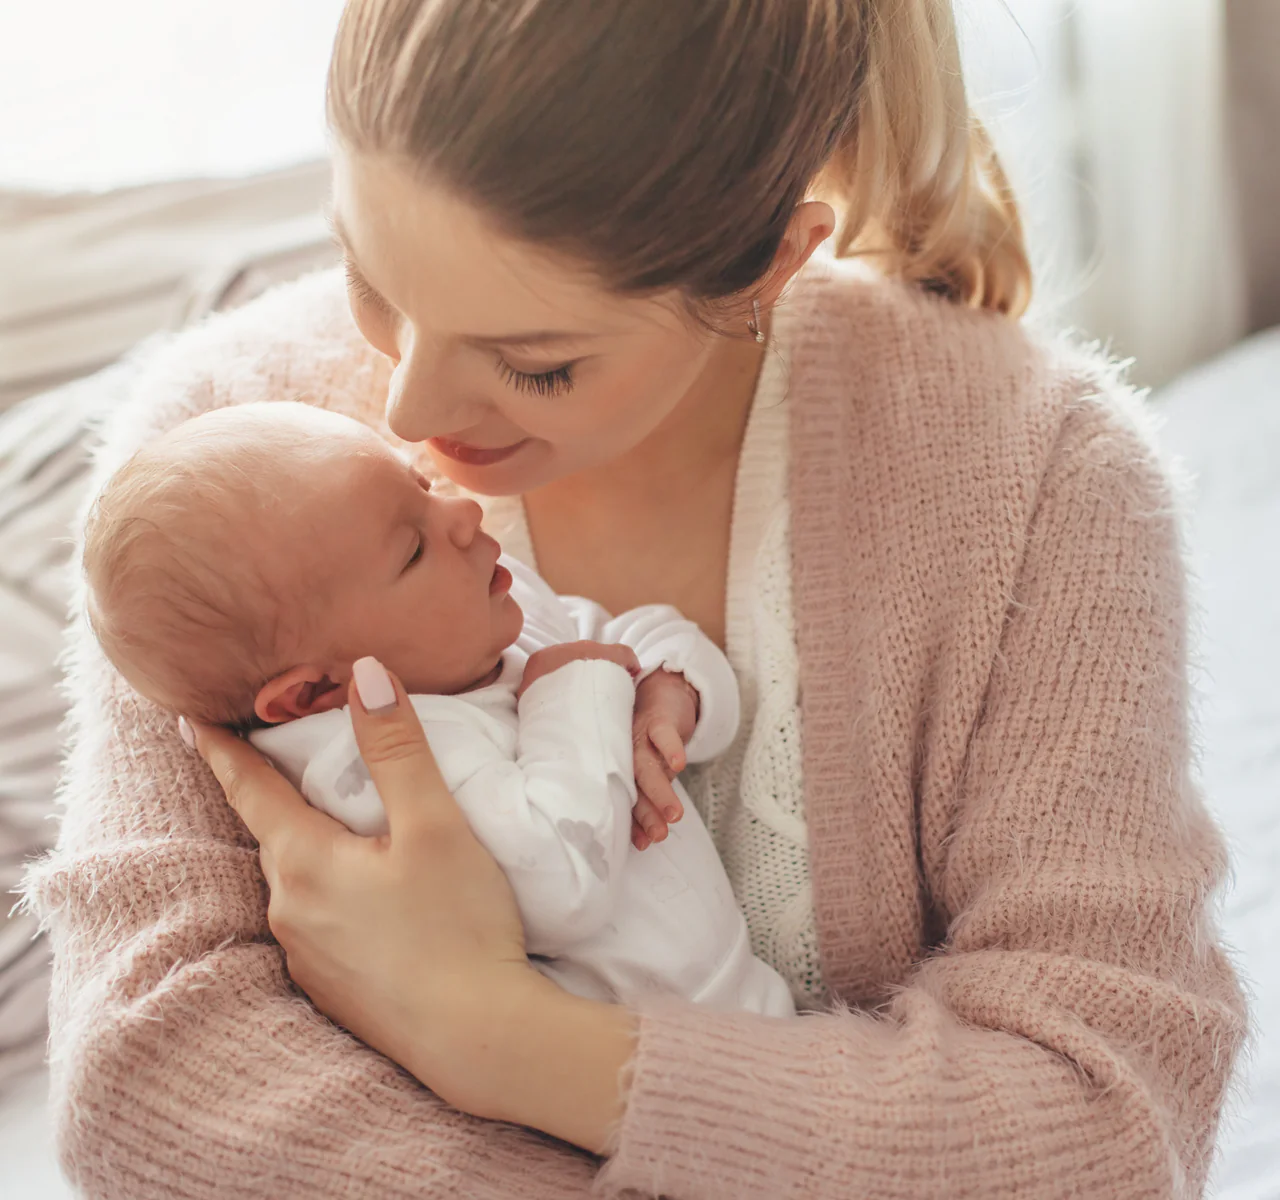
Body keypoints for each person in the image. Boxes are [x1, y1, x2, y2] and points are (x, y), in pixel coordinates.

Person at [25, 1, 1246, 1197]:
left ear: (769, 261)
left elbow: (1103, 1126)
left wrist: (493, 1038)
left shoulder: (1036, 478)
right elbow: (147, 1084)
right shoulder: (220, 463)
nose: (407, 415)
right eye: (370, 279)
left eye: (536, 362)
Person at [79, 400, 794, 1016]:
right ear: (313, 693)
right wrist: (574, 688)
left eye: (420, 484)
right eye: (412, 550)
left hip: (746, 1002)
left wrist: (670, 692)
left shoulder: (485, 626)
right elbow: (562, 888)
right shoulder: (372, 770)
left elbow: (635, 634)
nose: (461, 511)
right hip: (641, 1064)